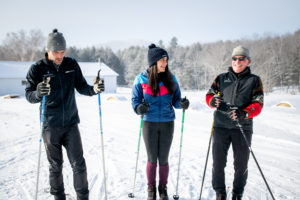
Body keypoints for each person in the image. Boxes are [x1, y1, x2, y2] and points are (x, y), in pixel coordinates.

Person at [25, 29, 104, 200]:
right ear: (48, 50)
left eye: (62, 52)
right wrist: (38, 92)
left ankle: (83, 197)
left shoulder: (71, 64)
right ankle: (58, 197)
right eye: (56, 52)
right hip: (50, 125)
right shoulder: (37, 69)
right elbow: (29, 95)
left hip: (70, 124)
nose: (60, 55)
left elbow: (82, 86)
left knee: (79, 164)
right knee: (55, 166)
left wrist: (94, 90)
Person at [131, 44, 190, 200]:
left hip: (167, 122)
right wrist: (139, 108)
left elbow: (176, 100)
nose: (165, 63)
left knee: (163, 158)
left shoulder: (171, 78)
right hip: (149, 123)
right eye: (162, 60)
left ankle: (162, 187)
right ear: (153, 62)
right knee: (152, 158)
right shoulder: (141, 79)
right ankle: (151, 188)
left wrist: (182, 104)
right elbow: (135, 101)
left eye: (166, 60)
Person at [206, 45, 264, 200]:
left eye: (241, 58)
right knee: (218, 163)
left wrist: (244, 113)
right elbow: (209, 95)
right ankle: (220, 193)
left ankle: (237, 194)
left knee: (241, 166)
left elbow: (258, 104)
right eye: (234, 58)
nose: (237, 61)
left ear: (248, 61)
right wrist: (212, 101)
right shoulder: (221, 78)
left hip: (242, 128)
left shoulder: (254, 80)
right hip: (220, 126)